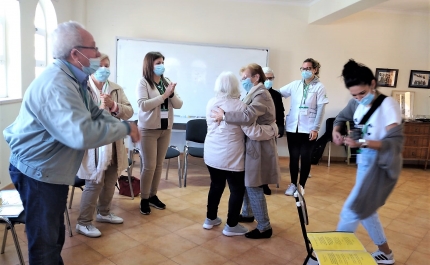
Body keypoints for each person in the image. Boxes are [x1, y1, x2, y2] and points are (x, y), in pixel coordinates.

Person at [2, 21, 140, 265]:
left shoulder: (76, 79)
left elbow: (94, 114)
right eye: (94, 49)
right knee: (45, 241)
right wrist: (124, 128)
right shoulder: (57, 84)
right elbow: (81, 135)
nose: (98, 55)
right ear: (75, 54)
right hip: (39, 173)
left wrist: (119, 122)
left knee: (55, 235)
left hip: (53, 171)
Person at [332, 59, 403, 265]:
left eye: (362, 93)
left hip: (380, 166)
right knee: (366, 211)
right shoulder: (356, 103)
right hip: (364, 163)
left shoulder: (389, 105)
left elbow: (394, 143)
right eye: (354, 95)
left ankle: (334, 257)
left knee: (352, 210)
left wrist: (361, 141)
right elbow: (340, 118)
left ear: (373, 84)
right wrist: (337, 132)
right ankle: (386, 254)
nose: (358, 98)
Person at [203, 71, 278, 237]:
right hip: (231, 157)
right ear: (235, 85)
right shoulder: (239, 106)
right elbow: (252, 132)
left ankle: (210, 219)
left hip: (211, 153)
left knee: (216, 185)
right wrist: (273, 128)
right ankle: (231, 225)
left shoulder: (211, 102)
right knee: (236, 190)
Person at [76, 53, 134, 237]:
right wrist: (101, 108)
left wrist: (114, 105)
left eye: (107, 65)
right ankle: (83, 222)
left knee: (110, 180)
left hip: (114, 142)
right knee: (94, 182)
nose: (104, 69)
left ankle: (104, 212)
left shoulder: (115, 88)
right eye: (99, 65)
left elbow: (129, 111)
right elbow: (79, 119)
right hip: (93, 145)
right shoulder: (81, 88)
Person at [136, 52, 183, 215]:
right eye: (158, 62)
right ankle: (144, 199)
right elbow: (143, 106)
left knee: (158, 165)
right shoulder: (143, 83)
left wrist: (171, 94)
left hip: (165, 128)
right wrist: (164, 96)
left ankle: (152, 195)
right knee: (149, 166)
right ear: (150, 64)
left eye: (162, 62)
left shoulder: (166, 81)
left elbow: (179, 105)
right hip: (148, 129)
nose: (161, 65)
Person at [280, 58, 329, 196]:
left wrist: (316, 128)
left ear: (315, 70)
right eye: (303, 69)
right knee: (294, 157)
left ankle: (301, 186)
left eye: (308, 68)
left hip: (308, 129)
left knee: (305, 157)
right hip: (292, 128)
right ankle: (293, 184)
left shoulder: (320, 87)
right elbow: (278, 93)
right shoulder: (295, 85)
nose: (305, 71)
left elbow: (321, 109)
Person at [261, 66, 285, 195]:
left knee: (268, 159)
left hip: (271, 130)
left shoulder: (276, 94)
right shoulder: (254, 92)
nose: (269, 80)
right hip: (257, 131)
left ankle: (265, 183)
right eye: (266, 78)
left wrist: (281, 127)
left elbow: (280, 112)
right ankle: (257, 182)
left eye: (271, 78)